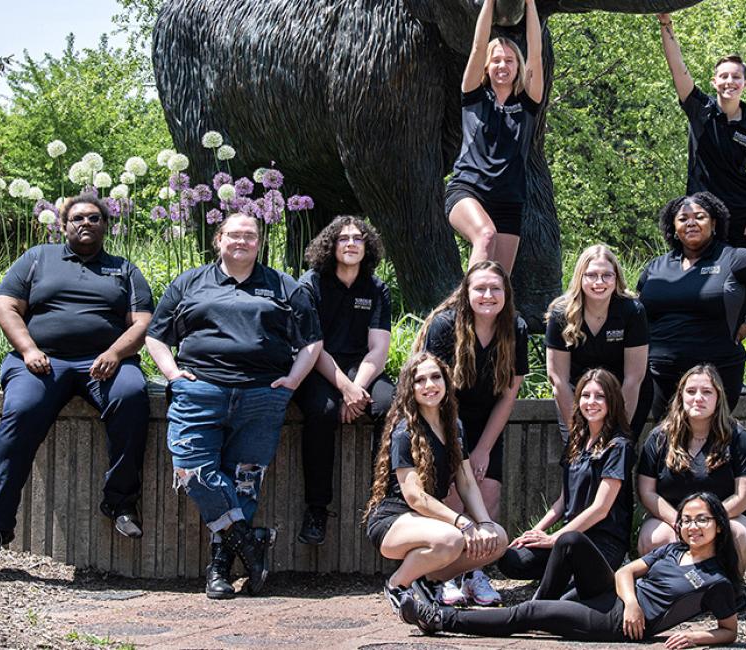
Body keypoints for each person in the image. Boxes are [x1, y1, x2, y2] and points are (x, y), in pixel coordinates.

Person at [144, 213, 322, 599]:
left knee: (244, 479)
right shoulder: (189, 282)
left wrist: (291, 381)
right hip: (199, 392)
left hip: (261, 396)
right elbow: (156, 335)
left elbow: (312, 341)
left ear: (259, 242)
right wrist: (173, 374)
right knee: (192, 471)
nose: (242, 241)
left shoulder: (283, 287)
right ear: (218, 239)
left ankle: (220, 571)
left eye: (251, 236)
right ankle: (250, 539)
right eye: (234, 235)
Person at [0, 193, 154, 557]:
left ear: (106, 226)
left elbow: (143, 322)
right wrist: (28, 349)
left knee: (133, 395)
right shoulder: (37, 258)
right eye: (78, 219)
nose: (86, 224)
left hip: (104, 362)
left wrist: (116, 353)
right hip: (41, 362)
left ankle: (120, 503)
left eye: (94, 219)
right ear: (63, 226)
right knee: (22, 412)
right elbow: (5, 306)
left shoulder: (124, 269)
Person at [399, 492, 741, 648]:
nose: (692, 526)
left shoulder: (717, 581)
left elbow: (729, 631)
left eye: (702, 520)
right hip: (618, 600)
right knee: (572, 540)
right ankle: (535, 617)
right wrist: (632, 602)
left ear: (719, 527)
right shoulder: (673, 548)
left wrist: (695, 638)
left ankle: (438, 618)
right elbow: (624, 573)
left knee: (530, 611)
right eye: (687, 520)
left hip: (618, 625)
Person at [417, 260, 527, 605]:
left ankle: (476, 574)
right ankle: (446, 574)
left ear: (506, 294)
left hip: (487, 423)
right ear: (466, 293)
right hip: (445, 420)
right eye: (479, 288)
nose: (488, 295)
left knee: (488, 496)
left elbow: (510, 393)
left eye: (495, 288)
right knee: (452, 498)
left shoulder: (516, 328)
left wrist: (482, 450)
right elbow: (432, 390)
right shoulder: (445, 326)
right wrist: (458, 451)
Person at [364, 352, 508, 616]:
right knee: (451, 538)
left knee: (497, 538)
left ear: (446, 381)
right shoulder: (404, 432)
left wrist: (484, 523)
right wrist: (462, 522)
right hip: (393, 520)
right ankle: (397, 586)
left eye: (435, 377)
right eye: (420, 380)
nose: (429, 385)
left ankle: (429, 582)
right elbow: (415, 497)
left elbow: (465, 482)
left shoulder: (454, 425)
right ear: (410, 387)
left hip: (429, 522)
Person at [637, 192, 746, 423]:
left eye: (700, 217)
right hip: (661, 375)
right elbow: (640, 311)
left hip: (717, 372)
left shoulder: (735, 259)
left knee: (709, 445)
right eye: (683, 219)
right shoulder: (656, 267)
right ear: (673, 227)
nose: (691, 222)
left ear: (714, 223)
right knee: (667, 444)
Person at [294, 216, 395, 545]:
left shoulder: (376, 288)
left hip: (361, 368)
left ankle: (383, 500)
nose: (351, 244)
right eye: (343, 239)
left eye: (358, 239)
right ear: (330, 245)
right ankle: (317, 507)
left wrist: (359, 389)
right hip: (318, 366)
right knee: (322, 411)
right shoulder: (311, 283)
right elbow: (313, 346)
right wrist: (345, 389)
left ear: (368, 247)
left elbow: (379, 348)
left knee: (390, 405)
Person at [657, 11, 746, 259]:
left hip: (743, 223)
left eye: (736, 77)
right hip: (702, 219)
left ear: (745, 84)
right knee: (700, 286)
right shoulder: (700, 111)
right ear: (714, 81)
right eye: (724, 76)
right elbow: (678, 68)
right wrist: (666, 23)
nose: (730, 81)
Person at [499, 368, 635, 584]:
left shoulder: (619, 446)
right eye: (586, 395)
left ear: (613, 401)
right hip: (569, 539)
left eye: (600, 396)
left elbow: (600, 509)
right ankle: (564, 571)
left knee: (573, 593)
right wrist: (534, 533)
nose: (592, 402)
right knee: (511, 559)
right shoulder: (577, 441)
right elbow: (563, 501)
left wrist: (555, 538)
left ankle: (578, 576)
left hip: (602, 541)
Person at [446, 0, 544, 273]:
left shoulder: (527, 103)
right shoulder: (474, 95)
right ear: (487, 67)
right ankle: (464, 313)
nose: (503, 65)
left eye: (509, 60)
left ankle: (457, 307)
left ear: (517, 67)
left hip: (509, 201)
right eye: (496, 60)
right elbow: (478, 47)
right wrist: (489, 1)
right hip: (468, 190)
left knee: (499, 282)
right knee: (485, 235)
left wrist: (530, 3)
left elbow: (535, 53)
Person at [637, 365, 746, 575]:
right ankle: (670, 593)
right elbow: (647, 492)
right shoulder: (659, 438)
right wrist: (681, 522)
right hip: (672, 517)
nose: (698, 398)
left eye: (707, 392)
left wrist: (707, 522)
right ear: (681, 396)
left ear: (718, 398)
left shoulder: (738, 437)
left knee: (736, 534)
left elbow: (745, 496)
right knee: (655, 538)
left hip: (727, 516)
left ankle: (727, 592)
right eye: (691, 391)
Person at [546, 244, 650, 438]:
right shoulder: (561, 314)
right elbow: (558, 379)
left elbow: (634, 378)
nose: (599, 282)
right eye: (591, 275)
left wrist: (617, 429)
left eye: (607, 275)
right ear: (580, 277)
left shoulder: (632, 311)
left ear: (616, 277)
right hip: (578, 400)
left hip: (624, 396)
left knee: (617, 458)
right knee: (578, 461)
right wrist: (577, 430)